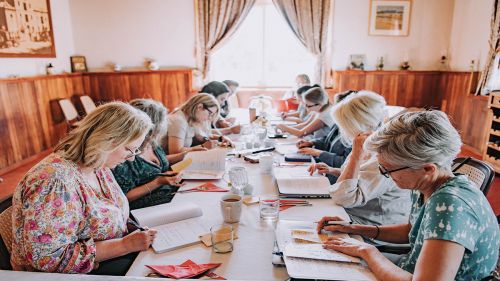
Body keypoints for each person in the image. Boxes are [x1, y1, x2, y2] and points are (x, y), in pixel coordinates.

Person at [317, 110, 500, 281]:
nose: (384, 174)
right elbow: (412, 230)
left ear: (428, 168)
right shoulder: (426, 183)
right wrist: (355, 229)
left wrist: (368, 251)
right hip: (408, 266)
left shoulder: (451, 205)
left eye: (387, 170)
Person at [11, 102, 157, 274]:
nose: (131, 159)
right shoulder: (55, 181)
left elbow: (111, 210)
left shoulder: (98, 166)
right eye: (129, 149)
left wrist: (132, 230)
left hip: (107, 260)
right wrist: (125, 245)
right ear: (107, 139)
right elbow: (48, 259)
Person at [309, 91, 410, 225]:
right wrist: (333, 170)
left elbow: (344, 197)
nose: (343, 131)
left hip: (373, 224)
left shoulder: (385, 153)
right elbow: (357, 177)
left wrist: (356, 155)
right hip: (353, 213)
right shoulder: (365, 142)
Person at [112, 99, 184, 210]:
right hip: (146, 206)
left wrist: (184, 155)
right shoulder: (125, 155)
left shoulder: (152, 142)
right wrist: (158, 182)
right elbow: (123, 197)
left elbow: (162, 161)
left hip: (170, 192)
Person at [297, 90, 356, 183]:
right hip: (324, 168)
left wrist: (318, 153)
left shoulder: (356, 133)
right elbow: (327, 139)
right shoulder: (340, 123)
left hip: (335, 178)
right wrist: (312, 142)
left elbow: (344, 162)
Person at [166, 93, 231, 154]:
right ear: (199, 107)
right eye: (210, 113)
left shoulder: (191, 119)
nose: (209, 118)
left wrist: (221, 138)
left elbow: (201, 137)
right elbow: (175, 152)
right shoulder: (178, 121)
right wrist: (202, 147)